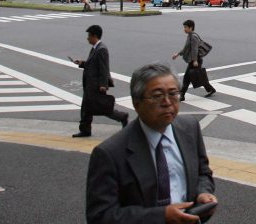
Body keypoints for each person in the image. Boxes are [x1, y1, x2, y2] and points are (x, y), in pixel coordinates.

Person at [86, 63, 217, 224]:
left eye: (173, 93)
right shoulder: (110, 154)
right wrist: (162, 216)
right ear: (136, 103)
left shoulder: (190, 128)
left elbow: (203, 173)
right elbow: (100, 216)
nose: (167, 102)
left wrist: (203, 193)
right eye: (157, 96)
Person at [71, 25, 130, 137]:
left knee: (100, 107)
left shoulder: (101, 49)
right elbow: (93, 64)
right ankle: (85, 129)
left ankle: (122, 116)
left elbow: (104, 68)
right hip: (90, 84)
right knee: (87, 107)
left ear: (94, 36)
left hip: (96, 85)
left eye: (89, 36)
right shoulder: (95, 48)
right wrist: (82, 63)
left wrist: (103, 84)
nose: (87, 38)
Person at [172, 20, 216, 97]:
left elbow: (194, 49)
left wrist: (195, 60)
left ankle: (182, 94)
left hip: (196, 60)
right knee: (196, 77)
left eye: (185, 27)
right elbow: (187, 48)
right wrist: (178, 54)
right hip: (193, 59)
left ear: (191, 27)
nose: (184, 29)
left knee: (188, 77)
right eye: (184, 27)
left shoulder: (193, 37)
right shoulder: (190, 35)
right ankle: (210, 89)